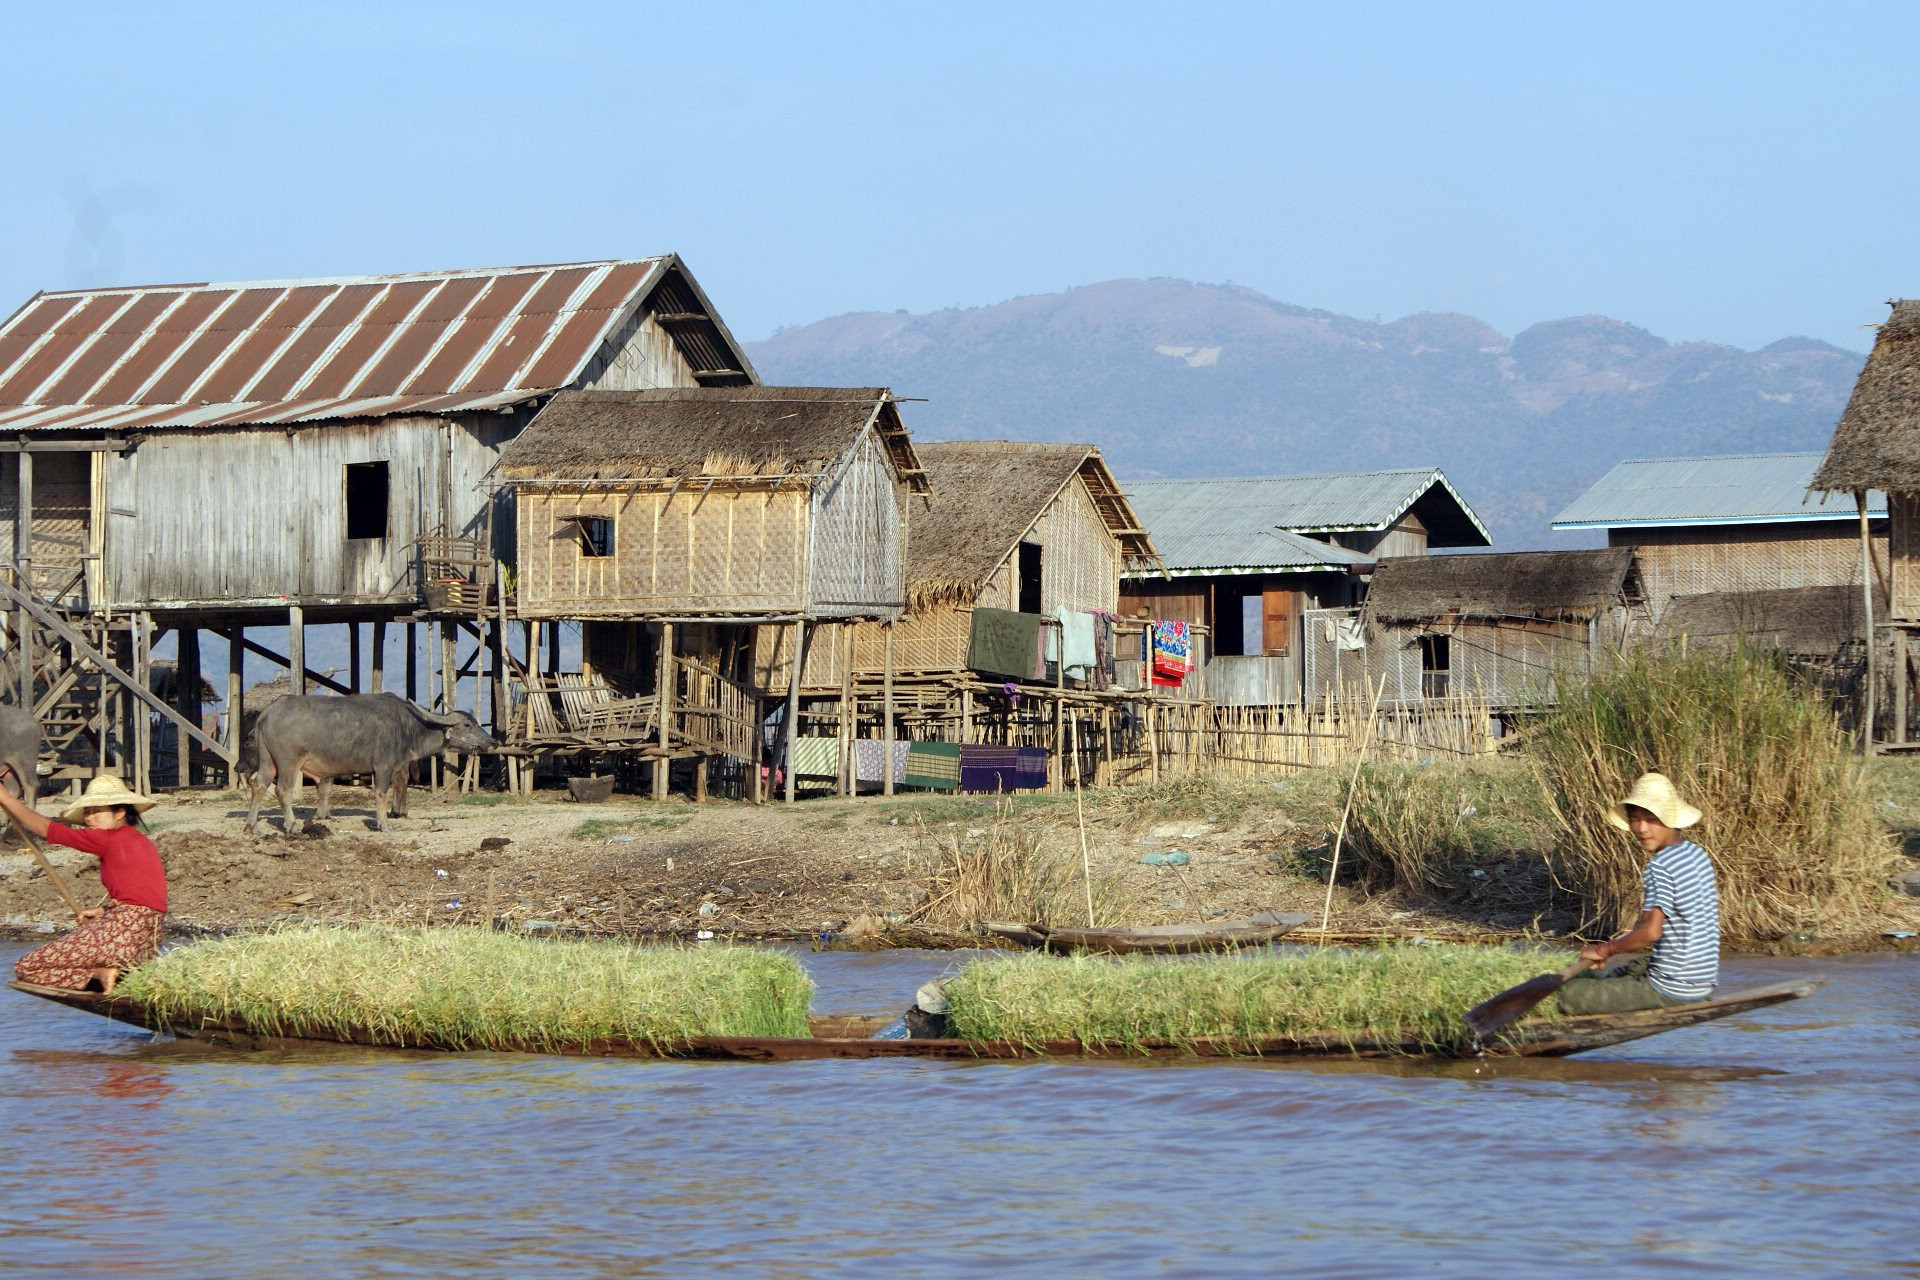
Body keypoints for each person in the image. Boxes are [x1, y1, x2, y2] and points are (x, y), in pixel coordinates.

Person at [1558, 772, 1719, 1015]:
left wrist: (1605, 950)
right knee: (1623, 971)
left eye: (1651, 818)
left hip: (1671, 990)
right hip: (1701, 985)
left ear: (1670, 819)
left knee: (1566, 995)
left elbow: (1649, 933)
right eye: (1635, 819)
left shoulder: (1661, 865)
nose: (1641, 828)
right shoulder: (1696, 854)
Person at [0, 772, 166, 995]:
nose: (89, 818)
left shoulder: (108, 838)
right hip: (146, 943)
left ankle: (101, 974)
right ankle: (111, 973)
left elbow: (45, 829)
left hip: (123, 935)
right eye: (87, 812)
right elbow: (144, 897)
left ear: (120, 813)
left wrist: (7, 800)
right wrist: (103, 911)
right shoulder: (141, 841)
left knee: (28, 967)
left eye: (97, 811)